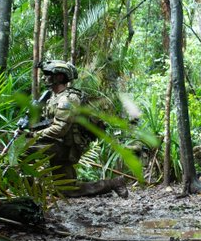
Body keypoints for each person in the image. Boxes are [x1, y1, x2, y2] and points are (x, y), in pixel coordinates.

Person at [26, 60, 127, 198]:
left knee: (24, 149)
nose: (44, 77)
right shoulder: (53, 98)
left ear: (59, 77)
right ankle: (114, 183)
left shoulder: (68, 99)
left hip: (65, 146)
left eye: (48, 74)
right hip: (58, 144)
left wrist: (35, 135)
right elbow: (49, 123)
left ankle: (33, 194)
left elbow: (59, 129)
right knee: (67, 190)